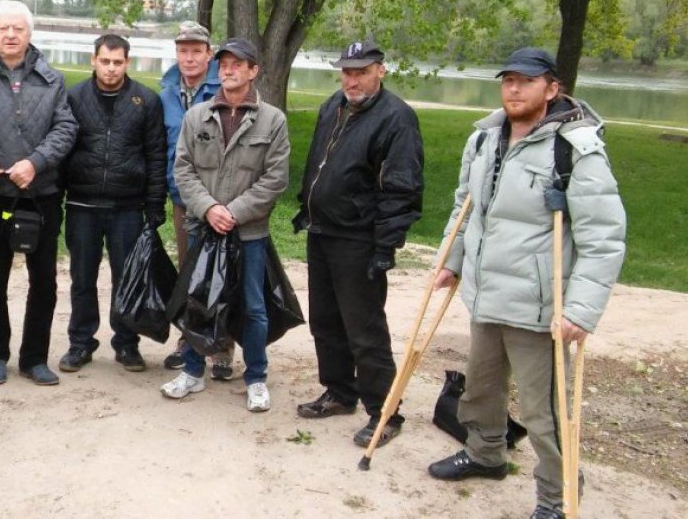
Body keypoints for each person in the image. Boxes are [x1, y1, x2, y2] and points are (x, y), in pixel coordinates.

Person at [426, 48, 626, 519]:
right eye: (508, 80)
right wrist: (451, 260)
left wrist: (580, 310)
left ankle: (557, 495)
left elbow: (604, 236)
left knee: (543, 412)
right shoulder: (484, 138)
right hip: (486, 294)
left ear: (552, 88)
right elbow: (466, 206)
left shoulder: (574, 149)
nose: (514, 88)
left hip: (538, 306)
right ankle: (485, 454)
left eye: (526, 80)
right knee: (481, 389)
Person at [292, 36, 424, 447]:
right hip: (323, 231)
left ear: (380, 70)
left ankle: (384, 412)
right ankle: (339, 391)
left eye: (362, 72)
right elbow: (320, 163)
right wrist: (307, 206)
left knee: (364, 329)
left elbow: (402, 187)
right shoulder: (332, 106)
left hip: (359, 238)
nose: (352, 81)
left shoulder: (396, 118)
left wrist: (385, 246)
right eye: (347, 72)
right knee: (325, 321)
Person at [0, 0, 78, 387]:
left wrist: (36, 162)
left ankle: (34, 358)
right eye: (3, 28)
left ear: (29, 33)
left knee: (44, 280)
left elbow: (66, 128)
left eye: (18, 29)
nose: (10, 35)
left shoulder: (51, 79)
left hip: (41, 193)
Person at [161, 38, 290, 412]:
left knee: (253, 307)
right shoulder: (197, 116)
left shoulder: (273, 120)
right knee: (198, 301)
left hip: (249, 233)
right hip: (203, 229)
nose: (229, 70)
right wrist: (209, 209)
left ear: (253, 71)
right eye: (225, 64)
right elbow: (183, 170)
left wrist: (233, 211)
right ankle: (192, 372)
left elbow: (275, 178)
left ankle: (256, 378)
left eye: (238, 64)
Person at [58, 34, 166, 373]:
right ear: (93, 60)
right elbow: (62, 149)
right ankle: (80, 343)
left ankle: (127, 343)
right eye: (105, 61)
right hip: (82, 204)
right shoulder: (74, 97)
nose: (110, 68)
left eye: (117, 62)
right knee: (82, 279)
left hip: (127, 207)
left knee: (127, 278)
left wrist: (155, 204)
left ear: (127, 63)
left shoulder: (146, 100)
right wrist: (57, 195)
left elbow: (156, 155)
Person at [157, 21, 235, 379]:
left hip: (220, 200)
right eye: (183, 51)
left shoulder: (225, 89)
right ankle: (189, 341)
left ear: (209, 54)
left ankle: (222, 348)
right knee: (190, 273)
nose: (189, 58)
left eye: (196, 51)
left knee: (221, 275)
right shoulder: (167, 93)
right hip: (182, 198)